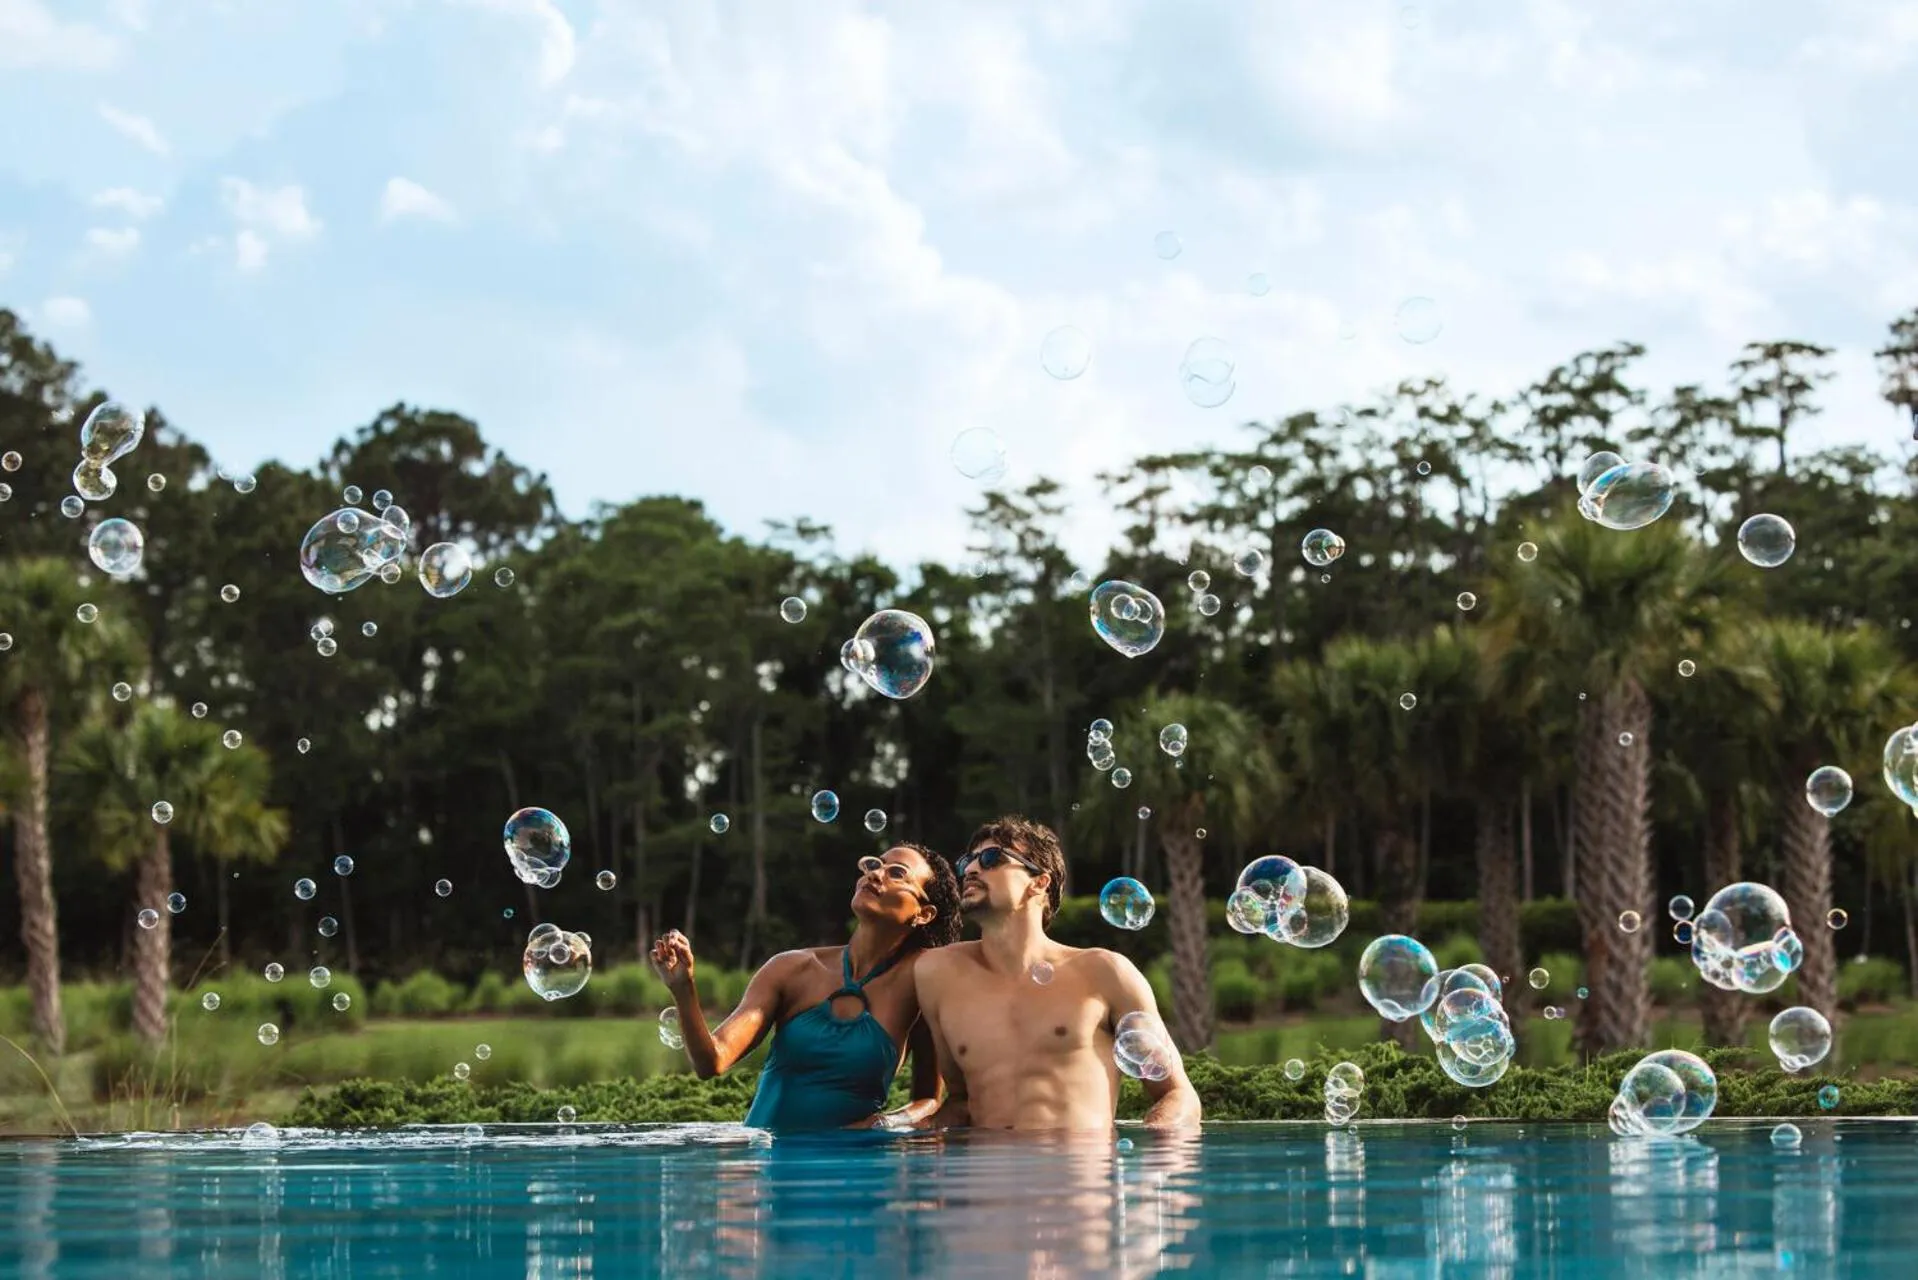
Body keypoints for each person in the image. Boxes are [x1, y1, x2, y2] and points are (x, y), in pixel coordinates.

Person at [914, 815, 1201, 1131]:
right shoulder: (939, 976)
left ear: (1039, 882)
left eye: (991, 858)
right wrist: (903, 1137)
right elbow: (960, 1101)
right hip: (987, 1172)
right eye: (967, 861)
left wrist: (1156, 1156)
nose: (970, 869)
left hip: (1078, 1171)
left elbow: (1178, 1093)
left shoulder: (1105, 972)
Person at [649, 842, 962, 1133]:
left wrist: (886, 1122)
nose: (875, 874)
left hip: (858, 1175)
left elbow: (930, 1099)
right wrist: (683, 987)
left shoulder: (922, 984)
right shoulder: (791, 969)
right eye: (874, 865)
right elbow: (710, 1062)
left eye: (896, 873)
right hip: (772, 1173)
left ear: (924, 913)